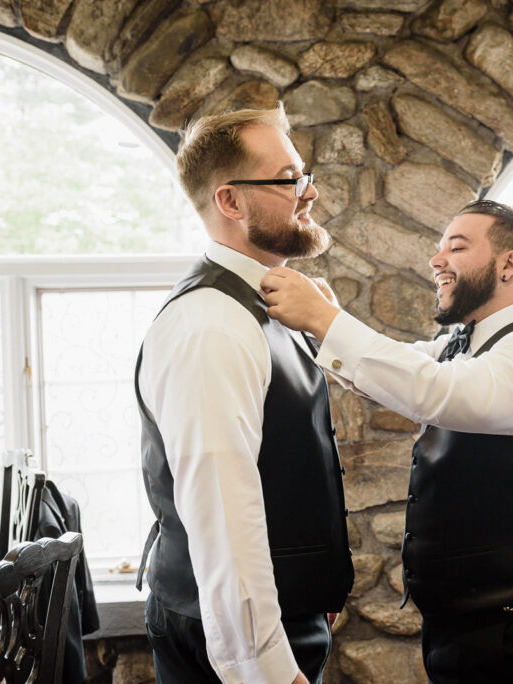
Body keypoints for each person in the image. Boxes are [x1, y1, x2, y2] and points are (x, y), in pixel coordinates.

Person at [262, 200, 513, 683]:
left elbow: (432, 391)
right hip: (469, 625)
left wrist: (325, 320)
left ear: (509, 264)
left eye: (456, 247)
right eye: (438, 247)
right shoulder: (465, 344)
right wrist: (327, 324)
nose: (435, 260)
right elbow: (398, 370)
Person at [134, 105, 353, 684]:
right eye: (288, 179)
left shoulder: (266, 303)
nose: (310, 191)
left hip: (284, 613)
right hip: (235, 645)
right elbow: (223, 515)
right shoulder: (212, 322)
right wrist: (268, 669)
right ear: (230, 201)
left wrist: (311, 586)